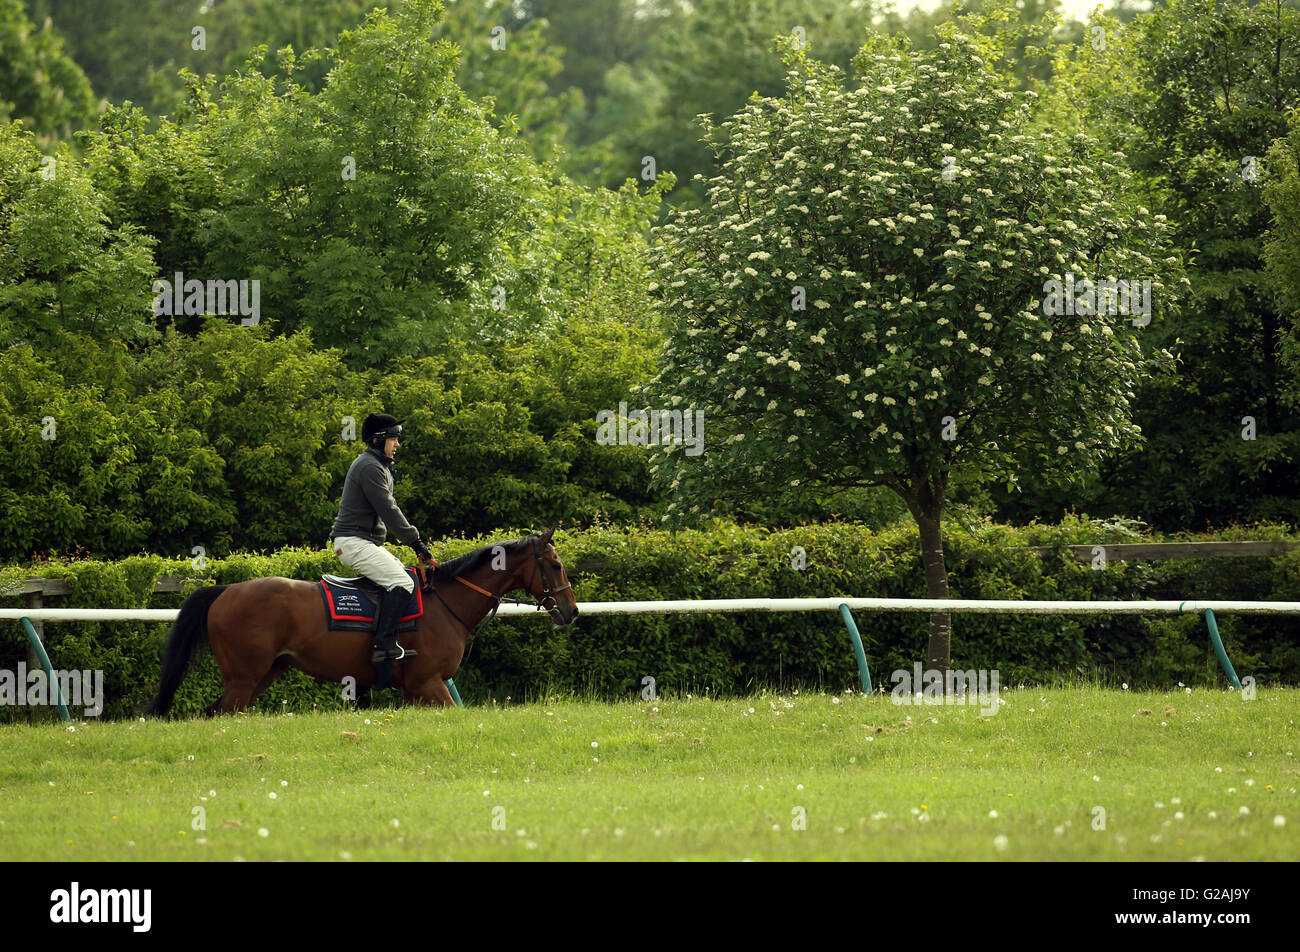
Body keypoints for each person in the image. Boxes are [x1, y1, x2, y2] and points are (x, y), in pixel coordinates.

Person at [329, 413, 433, 663]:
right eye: (393, 439)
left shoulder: (378, 466)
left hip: (362, 542)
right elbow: (389, 510)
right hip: (353, 543)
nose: (398, 444)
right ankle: (382, 644)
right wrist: (415, 542)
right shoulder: (369, 467)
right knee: (404, 584)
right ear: (377, 441)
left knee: (407, 577)